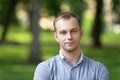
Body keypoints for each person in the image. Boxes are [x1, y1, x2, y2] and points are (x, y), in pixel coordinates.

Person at [33, 12, 110, 80]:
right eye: (63, 32)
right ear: (56, 37)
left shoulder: (99, 70)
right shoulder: (44, 69)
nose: (69, 37)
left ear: (81, 33)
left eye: (73, 31)